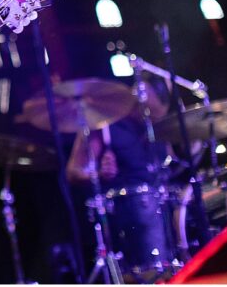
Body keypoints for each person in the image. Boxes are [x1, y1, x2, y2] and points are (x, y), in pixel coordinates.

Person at [65, 74, 175, 277]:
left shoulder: (158, 130)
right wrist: (98, 173)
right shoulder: (105, 125)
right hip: (127, 215)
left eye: (156, 116)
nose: (150, 119)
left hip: (164, 208)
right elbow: (73, 172)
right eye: (148, 113)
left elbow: (173, 167)